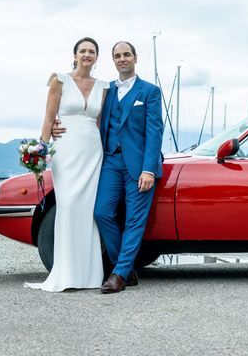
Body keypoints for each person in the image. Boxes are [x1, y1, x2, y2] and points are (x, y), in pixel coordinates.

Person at [25, 37, 108, 292]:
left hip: (93, 151)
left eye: (91, 51)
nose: (87, 55)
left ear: (96, 58)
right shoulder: (59, 80)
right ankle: (66, 272)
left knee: (88, 210)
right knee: (69, 205)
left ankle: (90, 275)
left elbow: (99, 123)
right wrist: (41, 153)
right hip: (66, 149)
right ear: (74, 55)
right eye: (82, 51)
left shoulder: (103, 86)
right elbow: (49, 119)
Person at [89, 41, 164, 293]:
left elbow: (155, 132)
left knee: (134, 220)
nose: (122, 59)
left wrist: (149, 169)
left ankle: (118, 274)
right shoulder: (107, 90)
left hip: (139, 165)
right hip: (110, 160)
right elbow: (89, 116)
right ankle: (127, 268)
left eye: (126, 55)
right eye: (117, 56)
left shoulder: (149, 91)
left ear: (135, 58)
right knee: (101, 212)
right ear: (113, 60)